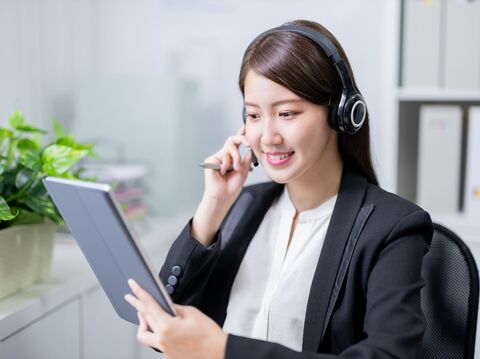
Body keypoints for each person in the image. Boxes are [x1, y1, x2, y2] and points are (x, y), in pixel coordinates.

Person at [124, 19, 433, 358]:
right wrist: (212, 207)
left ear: (341, 114)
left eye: (286, 113)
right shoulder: (242, 208)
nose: (267, 137)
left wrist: (223, 350)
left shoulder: (392, 228)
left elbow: (390, 355)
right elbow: (163, 329)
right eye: (254, 116)